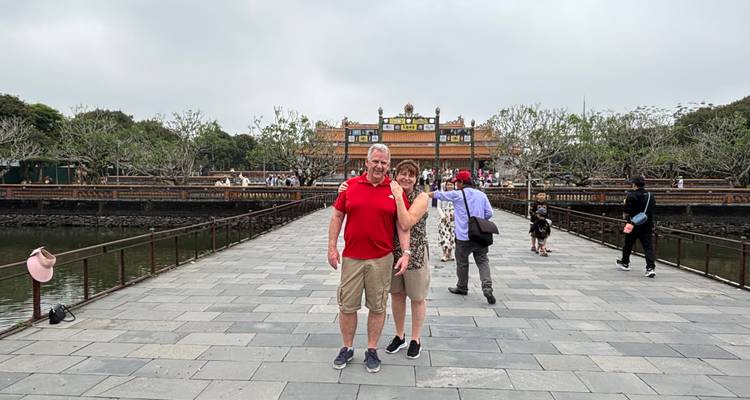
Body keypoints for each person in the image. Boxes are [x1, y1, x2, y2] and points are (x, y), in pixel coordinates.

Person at [328, 143, 411, 373]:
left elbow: (403, 226)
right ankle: (347, 347)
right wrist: (332, 246)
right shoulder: (350, 187)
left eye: (384, 162)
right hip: (352, 257)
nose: (379, 166)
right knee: (347, 306)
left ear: (388, 165)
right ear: (366, 162)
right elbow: (337, 216)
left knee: (377, 306)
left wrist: (406, 253)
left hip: (381, 258)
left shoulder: (395, 190)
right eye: (375, 161)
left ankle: (372, 349)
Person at [430, 170, 496, 304]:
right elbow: (489, 213)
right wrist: (479, 221)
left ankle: (462, 286)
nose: (456, 185)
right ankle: (487, 287)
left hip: (463, 236)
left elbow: (439, 195)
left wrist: (424, 195)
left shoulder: (458, 195)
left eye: (457, 182)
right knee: (483, 261)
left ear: (461, 182)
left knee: (462, 263)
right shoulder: (481, 195)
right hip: (480, 235)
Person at [617, 176, 657, 278]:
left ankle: (625, 262)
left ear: (634, 184)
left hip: (632, 224)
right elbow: (653, 209)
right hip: (646, 224)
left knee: (628, 244)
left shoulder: (631, 195)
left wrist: (625, 213)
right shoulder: (650, 196)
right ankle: (650, 268)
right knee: (648, 247)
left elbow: (626, 211)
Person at [437, 180, 456, 262]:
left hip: (453, 219)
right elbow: (439, 207)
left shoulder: (456, 195)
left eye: (451, 184)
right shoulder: (442, 195)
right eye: (448, 184)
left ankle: (450, 253)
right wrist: (443, 216)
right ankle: (444, 253)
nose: (449, 186)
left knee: (452, 236)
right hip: (444, 219)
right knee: (444, 235)